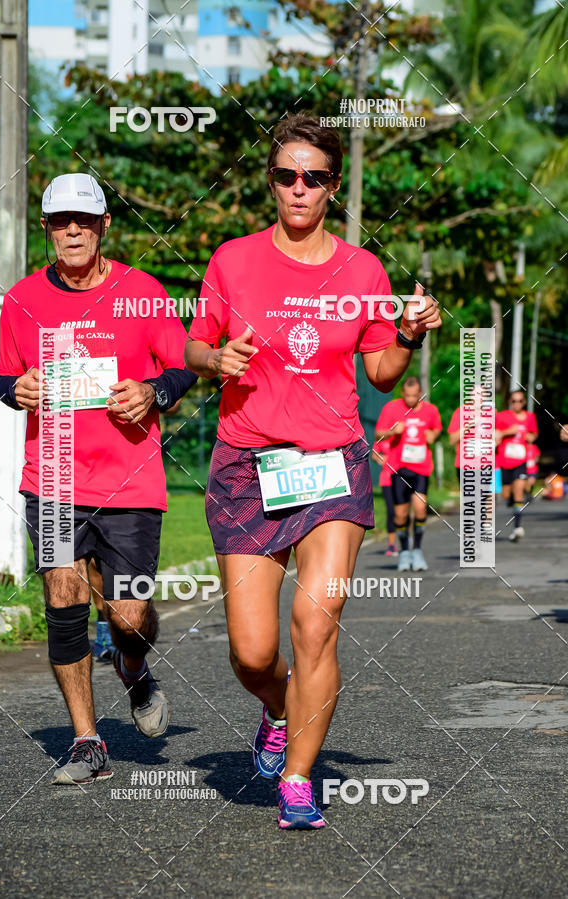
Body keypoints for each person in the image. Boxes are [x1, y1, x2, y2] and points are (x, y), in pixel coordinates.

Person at [184, 113, 442, 829]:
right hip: (247, 464)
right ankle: (279, 704)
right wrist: (215, 360)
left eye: (314, 177)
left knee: (315, 622)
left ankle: (298, 777)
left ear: (333, 188)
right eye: (285, 175)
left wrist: (412, 333)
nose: (298, 189)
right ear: (271, 182)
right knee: (253, 649)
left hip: (333, 464)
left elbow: (384, 371)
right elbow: (195, 346)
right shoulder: (232, 260)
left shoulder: (363, 270)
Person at [0, 172, 197, 784]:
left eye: (84, 220)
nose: (73, 230)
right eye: (60, 221)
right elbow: (8, 379)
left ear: (105, 226)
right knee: (62, 597)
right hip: (52, 476)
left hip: (130, 483)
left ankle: (134, 670)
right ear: (48, 230)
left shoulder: (145, 293)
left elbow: (185, 364)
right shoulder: (22, 299)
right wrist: (17, 390)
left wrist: (154, 391)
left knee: (128, 615)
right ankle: (87, 741)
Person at [375, 378, 441, 572]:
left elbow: (437, 429)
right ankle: (404, 552)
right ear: (402, 393)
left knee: (420, 509)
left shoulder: (431, 410)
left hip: (421, 468)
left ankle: (417, 550)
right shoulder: (391, 408)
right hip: (399, 468)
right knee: (400, 514)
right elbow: (378, 433)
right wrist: (392, 431)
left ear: (420, 393)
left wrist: (433, 435)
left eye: (415, 396)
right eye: (408, 396)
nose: (411, 400)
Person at [495, 390, 538, 541]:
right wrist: (508, 431)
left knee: (519, 490)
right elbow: (495, 434)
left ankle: (517, 527)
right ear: (510, 402)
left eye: (520, 401)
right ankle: (513, 500)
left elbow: (534, 435)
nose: (517, 404)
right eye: (514, 401)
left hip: (521, 461)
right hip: (505, 461)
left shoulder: (530, 417)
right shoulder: (503, 416)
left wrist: (528, 436)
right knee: (507, 494)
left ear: (524, 402)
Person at [371, 437, 398, 556]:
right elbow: (374, 454)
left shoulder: (402, 435)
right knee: (391, 511)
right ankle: (392, 545)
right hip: (386, 479)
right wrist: (380, 458)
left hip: (402, 478)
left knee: (403, 511)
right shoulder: (383, 436)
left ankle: (407, 542)